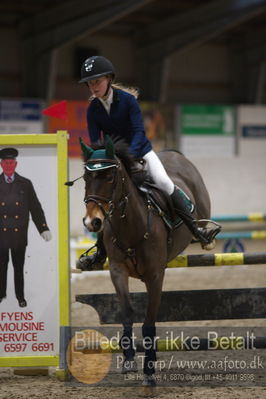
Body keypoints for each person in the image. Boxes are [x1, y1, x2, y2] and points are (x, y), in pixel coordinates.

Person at [78, 55, 220, 269]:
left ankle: (197, 230)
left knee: (164, 182)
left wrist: (131, 156)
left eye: (96, 81)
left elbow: (137, 132)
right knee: (106, 199)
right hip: (114, 161)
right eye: (89, 83)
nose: (93, 86)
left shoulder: (127, 101)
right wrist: (98, 161)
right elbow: (96, 141)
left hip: (140, 152)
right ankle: (100, 252)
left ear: (108, 79)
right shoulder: (93, 109)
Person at [0, 148, 52, 307]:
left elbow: (35, 207)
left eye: (11, 162)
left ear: (16, 164)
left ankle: (20, 297)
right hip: (0, 236)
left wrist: (43, 228)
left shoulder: (25, 183)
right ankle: (1, 294)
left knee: (18, 268)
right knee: (1, 268)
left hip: (18, 235)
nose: (9, 165)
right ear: (1, 164)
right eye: (6, 162)